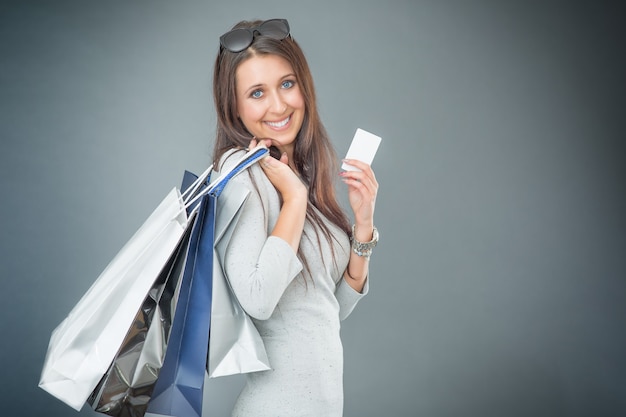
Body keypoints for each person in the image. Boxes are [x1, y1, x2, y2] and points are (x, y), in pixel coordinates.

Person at [211, 18, 380, 417]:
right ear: (233, 106)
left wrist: (364, 225)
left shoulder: (290, 170)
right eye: (256, 93)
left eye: (287, 84)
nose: (279, 105)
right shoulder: (242, 171)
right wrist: (295, 198)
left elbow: (327, 312)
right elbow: (258, 299)